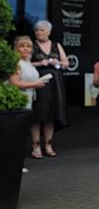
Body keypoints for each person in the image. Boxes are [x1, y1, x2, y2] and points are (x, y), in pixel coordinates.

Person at [31, 20, 68, 158]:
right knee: (38, 114)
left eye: (41, 30)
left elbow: (66, 63)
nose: (38, 32)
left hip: (55, 84)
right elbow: (24, 63)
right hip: (38, 82)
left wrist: (58, 63)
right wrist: (40, 63)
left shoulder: (56, 45)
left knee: (51, 114)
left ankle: (48, 144)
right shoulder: (32, 45)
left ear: (49, 32)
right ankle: (35, 146)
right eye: (36, 30)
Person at [9, 36, 47, 161]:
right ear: (16, 48)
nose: (25, 49)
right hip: (18, 100)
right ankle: (14, 163)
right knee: (16, 133)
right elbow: (14, 82)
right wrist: (34, 84)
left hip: (29, 99)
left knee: (22, 133)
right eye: (22, 46)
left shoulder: (28, 63)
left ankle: (17, 162)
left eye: (28, 46)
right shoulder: (16, 62)